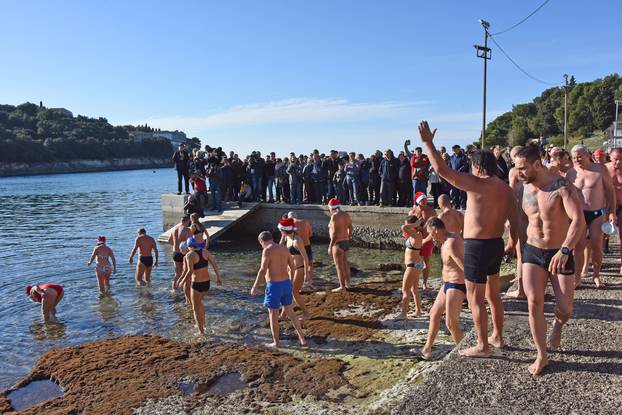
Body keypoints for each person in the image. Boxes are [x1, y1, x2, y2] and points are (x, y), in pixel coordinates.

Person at [418, 120, 518, 358]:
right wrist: (512, 242)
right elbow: (516, 221)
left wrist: (428, 144)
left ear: (476, 167)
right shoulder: (506, 188)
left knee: (475, 298)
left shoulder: (476, 183)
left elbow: (442, 170)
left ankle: (482, 345)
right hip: (496, 244)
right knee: (493, 295)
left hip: (477, 246)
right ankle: (498, 337)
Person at [514, 144, 585, 375]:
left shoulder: (561, 186)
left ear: (537, 164)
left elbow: (578, 221)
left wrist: (565, 250)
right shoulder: (522, 187)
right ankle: (541, 354)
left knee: (565, 308)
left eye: (523, 168)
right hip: (533, 252)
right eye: (517, 168)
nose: (519, 172)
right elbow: (523, 220)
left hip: (560, 251)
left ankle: (558, 323)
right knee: (534, 302)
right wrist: (520, 248)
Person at [566, 144, 616, 289]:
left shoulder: (600, 170)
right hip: (579, 215)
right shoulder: (571, 173)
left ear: (587, 155)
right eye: (574, 157)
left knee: (596, 245)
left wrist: (611, 211)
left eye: (579, 156)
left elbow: (610, 191)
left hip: (597, 213)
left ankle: (596, 275)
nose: (577, 159)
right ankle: (577, 278)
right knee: (578, 246)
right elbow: (566, 196)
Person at [251, 231, 306, 350]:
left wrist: (255, 285)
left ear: (262, 241)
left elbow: (262, 270)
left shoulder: (267, 250)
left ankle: (276, 343)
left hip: (274, 285)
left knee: (273, 315)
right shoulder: (284, 248)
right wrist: (290, 282)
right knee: (291, 312)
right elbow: (292, 266)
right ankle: (302, 338)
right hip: (286, 283)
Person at [421, 218, 466, 360]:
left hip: (456, 284)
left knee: (451, 323)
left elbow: (465, 268)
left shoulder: (451, 243)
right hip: (446, 284)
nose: (430, 236)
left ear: (436, 229)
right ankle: (427, 348)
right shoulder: (446, 239)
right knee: (434, 313)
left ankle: (463, 351)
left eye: (430, 233)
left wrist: (472, 292)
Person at [176, 237, 222, 335]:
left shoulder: (189, 255)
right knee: (199, 304)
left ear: (189, 246)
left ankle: (201, 332)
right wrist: (218, 278)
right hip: (207, 283)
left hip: (196, 284)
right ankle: (203, 324)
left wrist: (182, 282)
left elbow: (189, 271)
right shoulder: (205, 252)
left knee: (195, 308)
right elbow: (214, 264)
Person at [278, 217, 311, 320]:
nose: (280, 232)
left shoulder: (297, 240)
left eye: (281, 230)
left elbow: (305, 257)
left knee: (294, 292)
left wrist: (307, 273)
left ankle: (306, 314)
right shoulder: (287, 238)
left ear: (285, 230)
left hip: (299, 269)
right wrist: (282, 237)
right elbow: (279, 248)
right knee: (287, 291)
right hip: (291, 269)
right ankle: (283, 315)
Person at [506, 146, 528, 300]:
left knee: (521, 254)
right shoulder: (535, 169)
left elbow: (511, 195)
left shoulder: (514, 171)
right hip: (533, 215)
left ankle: (521, 290)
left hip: (521, 215)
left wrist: (508, 218)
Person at [398, 215, 424, 319]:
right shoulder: (415, 235)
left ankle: (403, 314)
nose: (406, 225)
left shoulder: (417, 235)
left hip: (412, 266)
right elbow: (405, 229)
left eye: (408, 223)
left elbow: (403, 228)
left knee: (405, 290)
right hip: (416, 265)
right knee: (414, 290)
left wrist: (416, 224)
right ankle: (418, 311)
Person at [411, 192, 436, 291]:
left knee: (426, 261)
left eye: (426, 200)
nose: (425, 202)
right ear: (418, 202)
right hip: (416, 240)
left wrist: (424, 230)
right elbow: (408, 227)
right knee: (414, 262)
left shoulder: (431, 211)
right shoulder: (412, 212)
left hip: (427, 239)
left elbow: (435, 226)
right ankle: (415, 281)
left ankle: (425, 283)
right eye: (423, 200)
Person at [327, 198, 353, 292]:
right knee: (345, 264)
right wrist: (348, 237)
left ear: (331, 208)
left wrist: (330, 246)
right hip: (346, 242)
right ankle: (348, 284)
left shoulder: (334, 216)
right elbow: (350, 228)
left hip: (337, 244)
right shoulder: (346, 215)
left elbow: (334, 233)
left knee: (339, 266)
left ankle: (342, 287)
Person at [287, 211, 315, 288]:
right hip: (306, 245)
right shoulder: (305, 222)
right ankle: (309, 282)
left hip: (295, 246)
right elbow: (310, 234)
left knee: (296, 265)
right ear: (296, 216)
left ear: (289, 217)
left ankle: (295, 283)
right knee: (309, 264)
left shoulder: (289, 225)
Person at [606, 148, 622, 274]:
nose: (618, 162)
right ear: (610, 158)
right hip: (606, 207)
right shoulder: (604, 170)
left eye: (621, 159)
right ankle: (592, 267)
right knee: (599, 237)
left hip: (621, 206)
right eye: (616, 159)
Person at [169, 215, 192, 288]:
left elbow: (169, 240)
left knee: (177, 273)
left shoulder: (174, 229)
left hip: (175, 253)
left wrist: (176, 246)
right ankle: (186, 289)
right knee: (187, 272)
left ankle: (174, 289)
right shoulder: (187, 230)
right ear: (188, 221)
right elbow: (190, 244)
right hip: (183, 253)